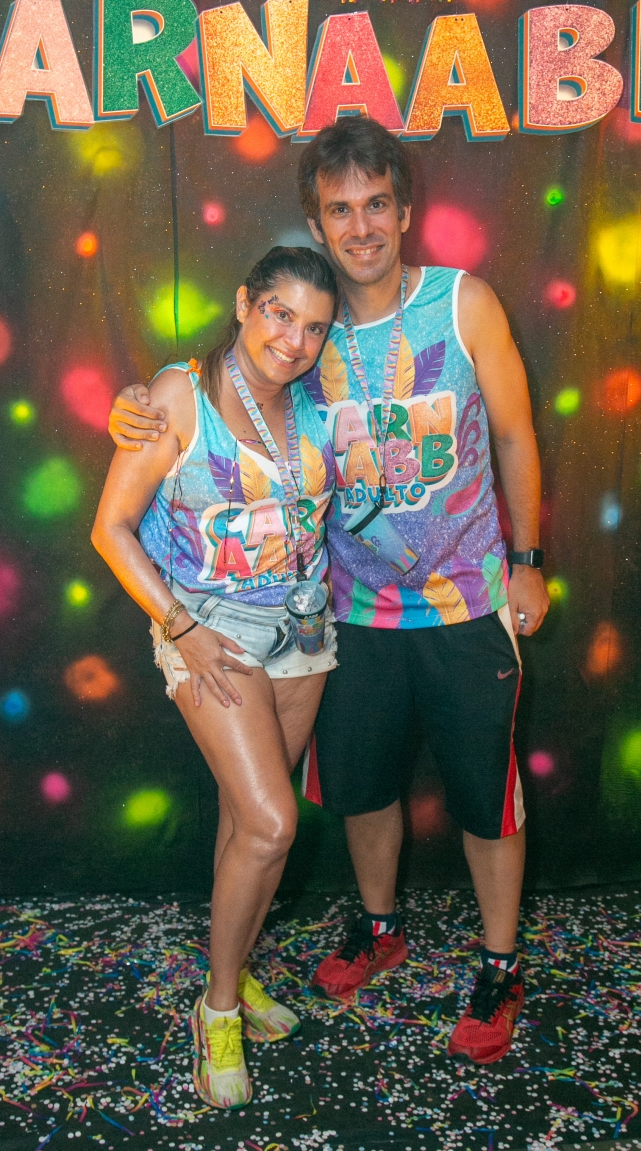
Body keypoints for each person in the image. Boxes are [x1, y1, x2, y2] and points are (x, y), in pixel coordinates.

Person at [108, 118, 550, 1067]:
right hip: (345, 610)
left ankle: (499, 964)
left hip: (467, 599)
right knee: (359, 790)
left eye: (377, 205)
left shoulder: (462, 303)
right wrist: (137, 405)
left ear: (405, 210)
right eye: (340, 210)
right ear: (315, 223)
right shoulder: (303, 335)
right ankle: (379, 929)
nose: (361, 227)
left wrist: (530, 557)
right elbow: (215, 396)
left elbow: (515, 432)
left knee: (487, 797)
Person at [92, 246, 340, 1109]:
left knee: (249, 822)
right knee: (275, 824)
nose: (294, 340)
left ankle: (233, 970)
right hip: (211, 632)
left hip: (304, 629)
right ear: (243, 304)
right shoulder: (177, 396)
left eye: (314, 326)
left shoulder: (319, 395)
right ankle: (218, 1010)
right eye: (279, 313)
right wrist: (181, 626)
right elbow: (110, 529)